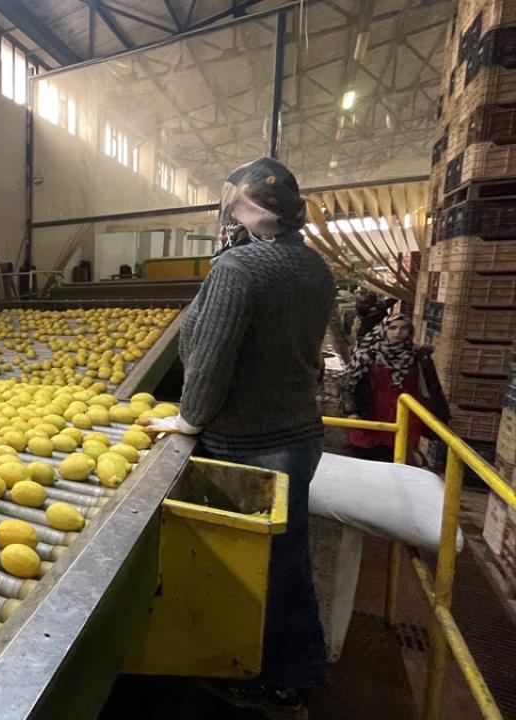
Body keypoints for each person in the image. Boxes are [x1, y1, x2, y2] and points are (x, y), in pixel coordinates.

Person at [141, 158, 334, 719]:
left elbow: (211, 359)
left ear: (247, 209)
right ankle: (295, 671)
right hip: (298, 435)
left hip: (250, 441)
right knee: (288, 557)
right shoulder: (314, 267)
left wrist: (188, 420)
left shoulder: (240, 268)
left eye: (235, 204)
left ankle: (279, 682)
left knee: (261, 564)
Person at [341, 313, 448, 462]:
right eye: (393, 328)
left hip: (403, 420)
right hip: (369, 417)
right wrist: (351, 411)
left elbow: (432, 387)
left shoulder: (418, 356)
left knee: (396, 461)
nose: (398, 332)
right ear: (384, 329)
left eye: (403, 328)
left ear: (410, 331)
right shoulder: (366, 354)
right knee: (364, 460)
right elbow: (348, 382)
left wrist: (440, 417)